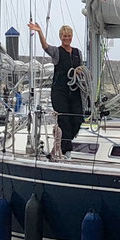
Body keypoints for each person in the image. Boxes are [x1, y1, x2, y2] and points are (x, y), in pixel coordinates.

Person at [29, 21, 84, 158]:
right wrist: (40, 32)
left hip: (75, 90)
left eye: (69, 36)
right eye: (64, 36)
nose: (67, 38)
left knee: (77, 119)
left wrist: (79, 72)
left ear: (72, 37)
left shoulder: (78, 53)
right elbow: (45, 46)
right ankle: (66, 151)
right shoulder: (57, 52)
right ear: (61, 37)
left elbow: (82, 68)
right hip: (60, 91)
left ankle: (60, 145)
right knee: (64, 119)